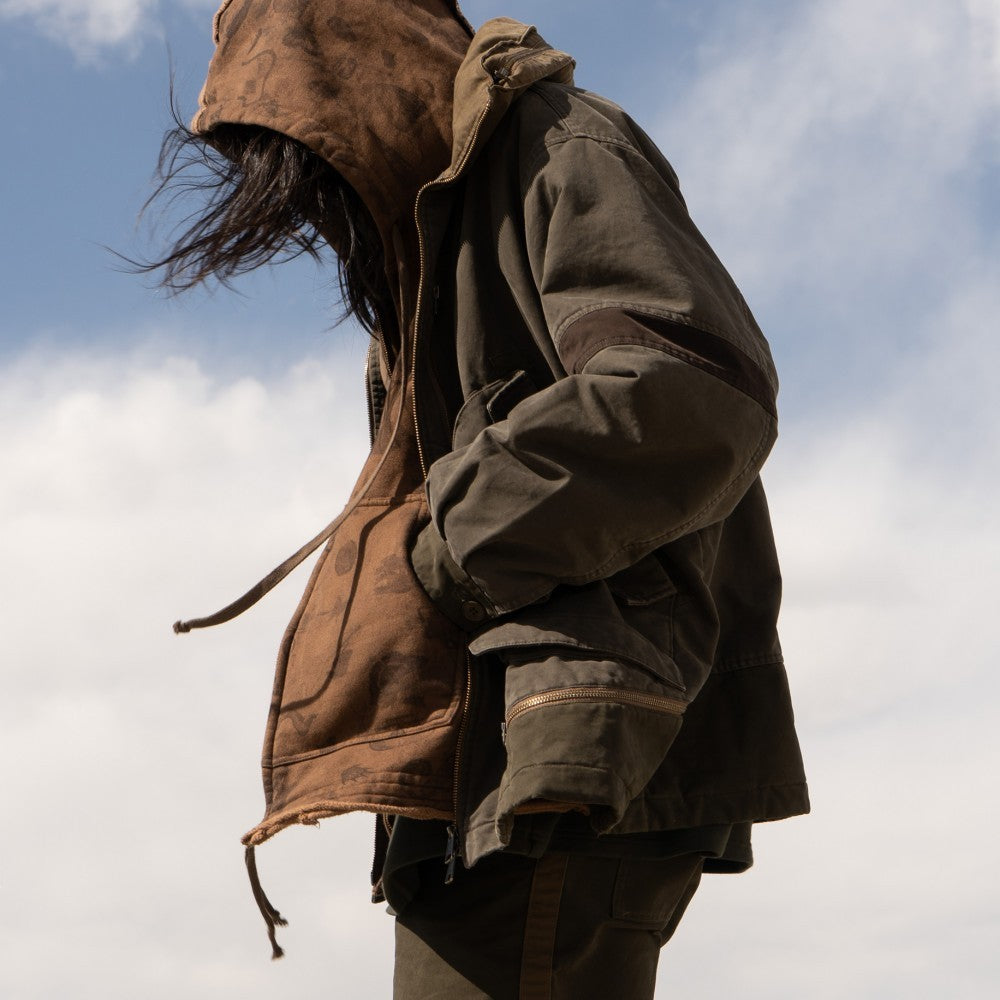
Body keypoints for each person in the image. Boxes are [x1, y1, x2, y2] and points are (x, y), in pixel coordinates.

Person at [150, 2, 809, 997]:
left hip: (558, 764)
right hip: (495, 783)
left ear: (362, 64)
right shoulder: (437, 240)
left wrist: (439, 546)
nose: (314, 198)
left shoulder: (557, 150)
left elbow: (689, 390)